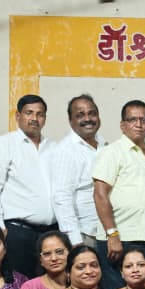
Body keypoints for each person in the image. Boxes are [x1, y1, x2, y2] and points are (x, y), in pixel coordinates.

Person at [93, 100, 145, 289]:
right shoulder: (112, 152)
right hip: (120, 238)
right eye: (132, 120)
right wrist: (112, 235)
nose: (138, 124)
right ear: (122, 125)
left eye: (143, 120)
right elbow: (100, 194)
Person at [0, 95, 56, 278]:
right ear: (18, 116)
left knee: (49, 286)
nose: (34, 118)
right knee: (18, 284)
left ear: (45, 118)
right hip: (18, 232)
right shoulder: (4, 144)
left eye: (40, 114)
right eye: (29, 113)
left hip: (51, 232)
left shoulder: (54, 148)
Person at [50, 94, 108, 264]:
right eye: (80, 115)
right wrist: (75, 240)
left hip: (105, 233)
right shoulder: (66, 150)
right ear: (71, 120)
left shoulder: (104, 144)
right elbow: (61, 197)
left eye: (92, 113)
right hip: (84, 234)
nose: (88, 119)